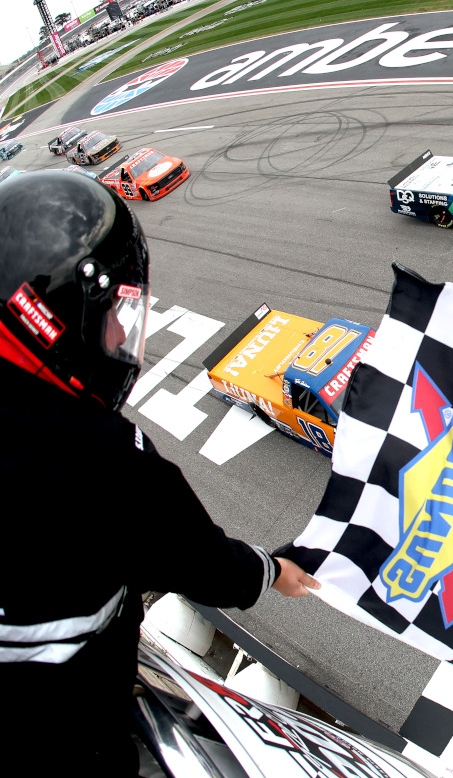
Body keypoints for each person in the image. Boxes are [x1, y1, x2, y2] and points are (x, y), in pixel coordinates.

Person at [0, 170, 320, 771]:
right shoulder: (98, 459)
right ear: (55, 318)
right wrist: (270, 570)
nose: (122, 335)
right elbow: (199, 559)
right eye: (116, 315)